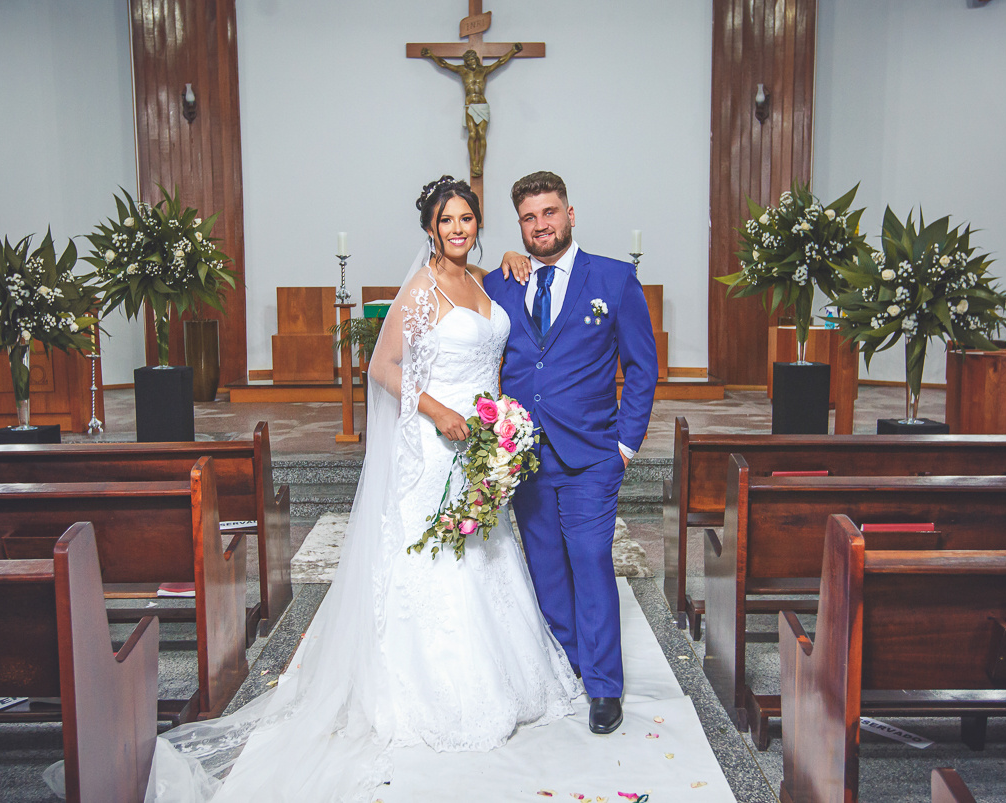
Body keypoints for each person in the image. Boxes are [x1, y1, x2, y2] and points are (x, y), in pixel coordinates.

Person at [134, 176, 582, 802]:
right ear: (430, 229)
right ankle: (432, 689)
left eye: (466, 218)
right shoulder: (422, 289)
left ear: (479, 224)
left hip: (484, 441)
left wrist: (511, 264)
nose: (457, 229)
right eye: (446, 220)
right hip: (437, 443)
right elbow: (382, 366)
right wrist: (438, 413)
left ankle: (507, 676)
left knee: (486, 551)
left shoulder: (487, 280)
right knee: (435, 561)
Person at [484, 171, 657, 735]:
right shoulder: (501, 284)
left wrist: (624, 445)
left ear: (570, 214)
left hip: (591, 455)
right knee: (547, 571)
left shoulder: (613, 278)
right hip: (525, 457)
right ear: (520, 225)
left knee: (590, 560)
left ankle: (604, 688)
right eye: (529, 217)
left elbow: (642, 367)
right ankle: (574, 667)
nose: (542, 225)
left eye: (550, 212)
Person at [420, 44, 523, 176]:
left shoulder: (483, 71)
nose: (470, 62)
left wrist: (513, 51)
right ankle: (474, 164)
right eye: (468, 61)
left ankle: (480, 164)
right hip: (470, 106)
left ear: (476, 59)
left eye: (472, 59)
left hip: (482, 106)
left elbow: (500, 62)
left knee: (481, 134)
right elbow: (444, 64)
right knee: (472, 135)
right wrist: (431, 56)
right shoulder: (462, 71)